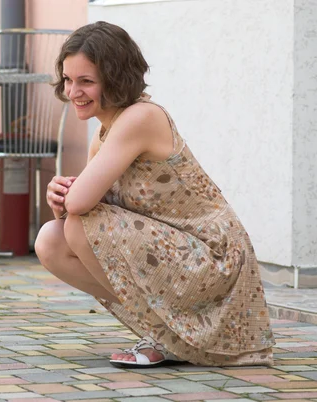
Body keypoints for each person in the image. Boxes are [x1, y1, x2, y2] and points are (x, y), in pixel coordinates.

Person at [35, 21, 275, 367]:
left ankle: (168, 338)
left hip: (215, 258)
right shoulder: (105, 133)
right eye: (68, 80)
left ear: (115, 79)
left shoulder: (141, 118)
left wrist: (68, 199)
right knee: (51, 240)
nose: (73, 91)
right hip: (181, 256)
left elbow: (82, 206)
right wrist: (57, 198)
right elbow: (79, 210)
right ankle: (165, 335)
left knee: (76, 226)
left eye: (86, 81)